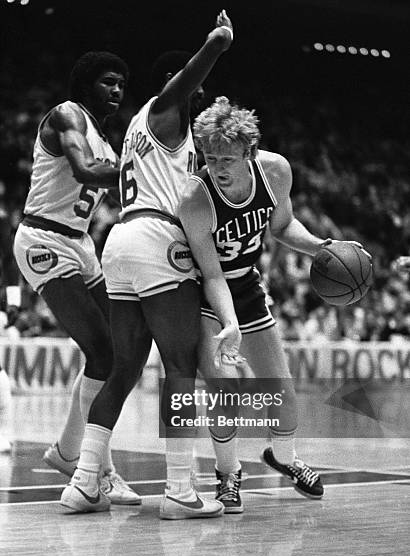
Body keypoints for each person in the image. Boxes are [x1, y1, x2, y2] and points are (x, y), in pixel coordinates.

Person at [61, 11, 241, 518]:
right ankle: (180, 490)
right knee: (180, 367)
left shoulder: (149, 133)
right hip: (157, 242)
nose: (201, 98)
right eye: (195, 90)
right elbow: (186, 83)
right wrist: (216, 44)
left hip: (121, 242)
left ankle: (83, 483)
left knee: (123, 370)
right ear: (174, 84)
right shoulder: (163, 109)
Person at [179, 96, 370, 513]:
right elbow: (212, 275)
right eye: (210, 158)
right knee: (223, 390)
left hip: (246, 285)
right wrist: (229, 325)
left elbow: (282, 226)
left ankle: (284, 458)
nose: (218, 167)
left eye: (227, 158)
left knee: (280, 391)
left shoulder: (276, 171)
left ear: (249, 152)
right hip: (205, 293)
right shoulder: (196, 198)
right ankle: (228, 475)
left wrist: (324, 246)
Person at [13, 52, 140, 504]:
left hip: (82, 244)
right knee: (103, 351)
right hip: (44, 239)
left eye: (122, 83)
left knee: (122, 352)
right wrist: (140, 168)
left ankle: (71, 452)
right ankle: (94, 467)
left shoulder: (107, 138)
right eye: (108, 81)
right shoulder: (68, 115)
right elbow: (85, 170)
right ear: (86, 84)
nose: (117, 90)